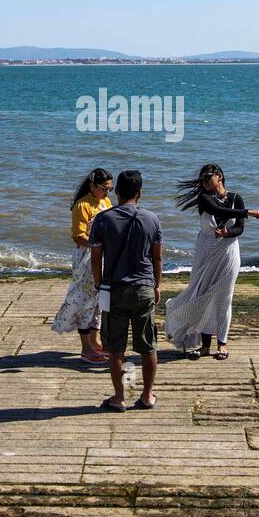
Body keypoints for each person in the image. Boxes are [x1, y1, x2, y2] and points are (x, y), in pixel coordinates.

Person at [165, 164, 259, 361]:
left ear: (219, 176)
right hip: (206, 250)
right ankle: (205, 345)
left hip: (228, 251)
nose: (202, 182)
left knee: (224, 298)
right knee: (201, 294)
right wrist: (248, 212)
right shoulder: (205, 198)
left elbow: (239, 229)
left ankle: (222, 343)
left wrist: (228, 233)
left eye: (206, 178)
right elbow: (216, 209)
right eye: (201, 179)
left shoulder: (236, 198)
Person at [89, 170, 164, 412]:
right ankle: (147, 395)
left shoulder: (103, 219)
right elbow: (157, 258)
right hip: (144, 287)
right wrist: (157, 285)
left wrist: (99, 284)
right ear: (139, 193)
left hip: (114, 289)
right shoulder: (152, 219)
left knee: (115, 347)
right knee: (148, 345)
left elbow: (95, 258)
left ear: (117, 192)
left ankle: (119, 397)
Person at [51, 168, 114, 363]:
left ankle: (95, 342)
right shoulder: (82, 205)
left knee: (99, 299)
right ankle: (85, 348)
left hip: (103, 254)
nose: (107, 193)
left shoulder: (105, 202)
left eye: (110, 189)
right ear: (93, 186)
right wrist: (97, 245)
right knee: (85, 298)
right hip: (86, 256)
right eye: (104, 189)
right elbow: (78, 235)